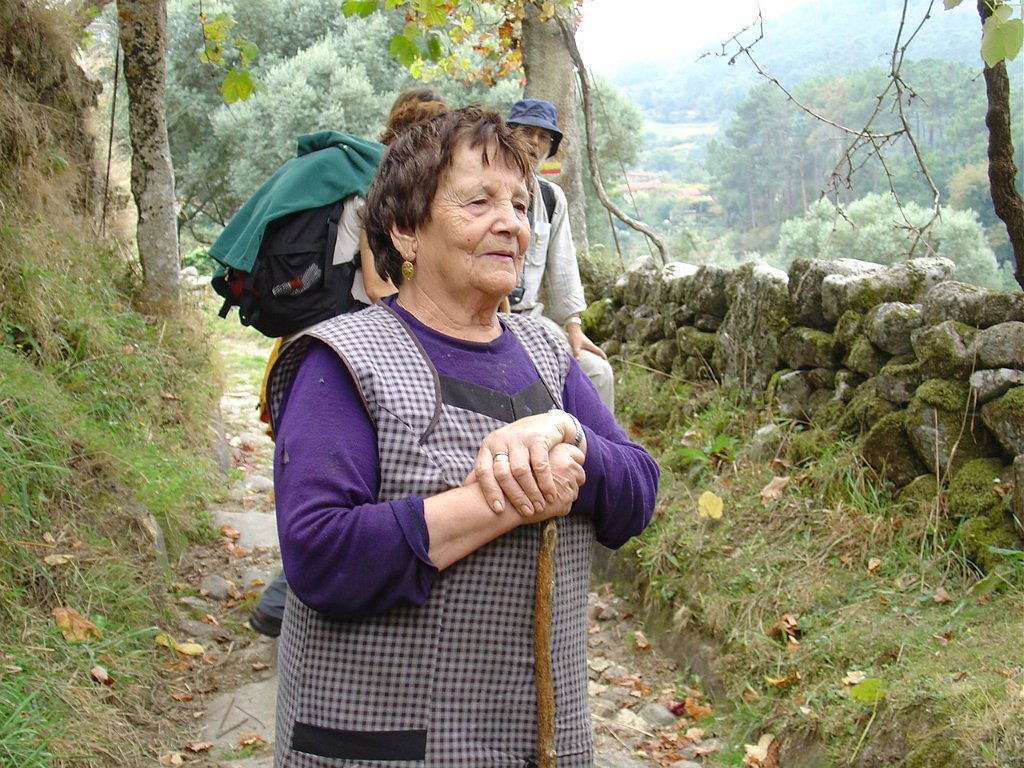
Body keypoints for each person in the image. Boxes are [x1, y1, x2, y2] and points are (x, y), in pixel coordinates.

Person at [264, 107, 659, 766]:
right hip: (384, 743)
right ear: (406, 231)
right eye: (478, 202)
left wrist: (568, 434)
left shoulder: (545, 350)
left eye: (519, 204)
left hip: (537, 741)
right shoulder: (343, 359)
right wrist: (502, 498)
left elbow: (637, 492)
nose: (511, 223)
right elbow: (321, 555)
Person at [247, 87, 450, 639]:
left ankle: (285, 596)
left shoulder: (368, 183)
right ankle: (285, 598)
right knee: (341, 486)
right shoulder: (379, 195)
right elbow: (381, 286)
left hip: (313, 347)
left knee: (327, 479)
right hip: (347, 357)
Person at [506, 98, 616, 411]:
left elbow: (564, 265)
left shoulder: (551, 197)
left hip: (530, 317)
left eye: (544, 137)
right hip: (484, 317)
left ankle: (599, 442)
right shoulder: (483, 185)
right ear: (508, 134)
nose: (535, 142)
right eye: (527, 132)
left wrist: (574, 328)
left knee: (598, 372)